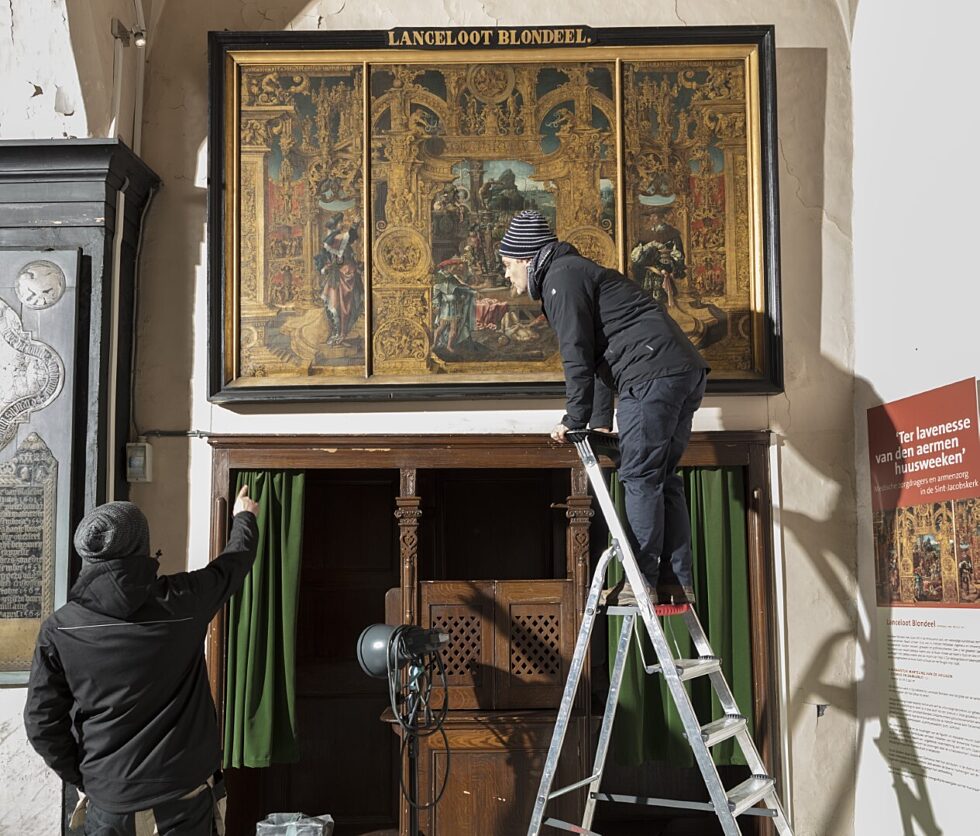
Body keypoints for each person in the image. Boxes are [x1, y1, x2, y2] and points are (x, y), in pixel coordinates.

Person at [498, 209, 708, 605]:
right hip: (682, 371)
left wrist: (573, 420)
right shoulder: (574, 271)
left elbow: (576, 355)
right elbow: (595, 359)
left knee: (640, 477)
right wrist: (597, 423)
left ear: (527, 258)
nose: (507, 275)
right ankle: (674, 583)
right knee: (661, 477)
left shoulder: (561, 278)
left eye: (508, 265)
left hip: (649, 375)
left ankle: (640, 582)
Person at [24, 486, 260, 835]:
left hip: (110, 803)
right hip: (184, 798)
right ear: (142, 548)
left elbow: (41, 723)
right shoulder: (183, 601)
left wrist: (87, 776)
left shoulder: (60, 628)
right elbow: (233, 564)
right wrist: (245, 517)